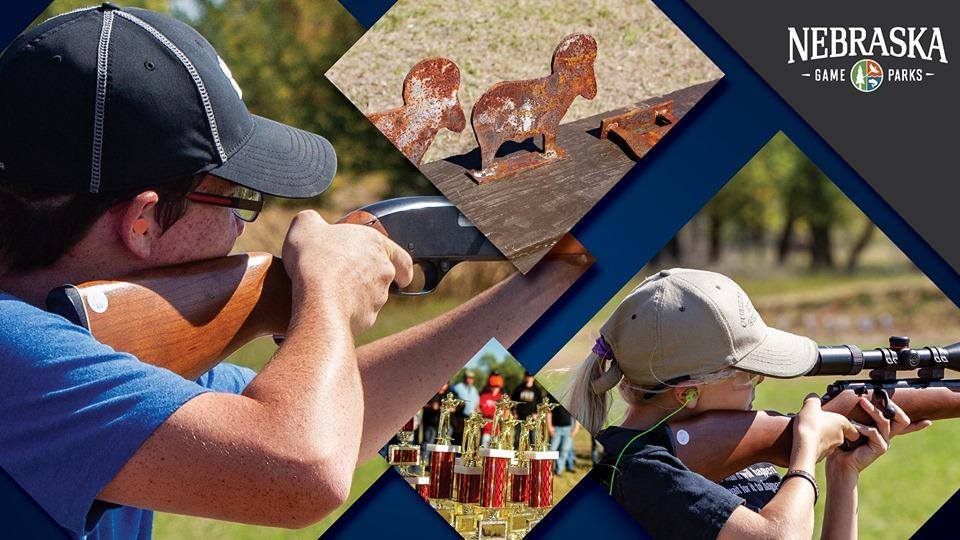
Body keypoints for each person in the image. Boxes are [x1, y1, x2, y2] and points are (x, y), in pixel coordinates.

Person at [0, 6, 588, 539]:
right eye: (237, 201)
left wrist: (547, 283)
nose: (242, 230)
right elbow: (304, 468)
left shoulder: (79, 353)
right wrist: (325, 294)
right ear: (145, 222)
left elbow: (341, 422)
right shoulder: (14, 352)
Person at [568, 269, 929, 540]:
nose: (759, 383)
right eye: (748, 375)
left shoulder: (734, 452)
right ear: (688, 394)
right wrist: (806, 451)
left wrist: (842, 473)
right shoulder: (632, 471)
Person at [421, 383, 450, 463]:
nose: (443, 386)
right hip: (430, 423)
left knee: (441, 446)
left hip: (442, 425)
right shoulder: (431, 393)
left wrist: (446, 408)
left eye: (445, 384)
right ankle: (423, 463)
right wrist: (431, 406)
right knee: (428, 443)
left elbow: (458, 406)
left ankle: (436, 463)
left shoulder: (448, 394)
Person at [451, 370, 480, 444]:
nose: (469, 379)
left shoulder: (474, 390)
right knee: (458, 437)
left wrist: (478, 412)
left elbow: (476, 404)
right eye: (468, 377)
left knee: (467, 438)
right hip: (459, 417)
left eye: (471, 378)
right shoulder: (457, 387)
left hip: (471, 418)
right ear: (464, 378)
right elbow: (452, 400)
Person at [478, 371, 506, 446]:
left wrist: (504, 422)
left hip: (498, 429)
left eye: (496, 387)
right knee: (484, 448)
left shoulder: (502, 397)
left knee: (496, 450)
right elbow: (478, 408)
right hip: (486, 429)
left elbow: (506, 411)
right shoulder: (484, 396)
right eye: (493, 387)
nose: (494, 388)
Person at [548, 405, 578, 474]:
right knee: (552, 450)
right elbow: (549, 413)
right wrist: (550, 427)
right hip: (556, 429)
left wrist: (575, 429)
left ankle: (559, 471)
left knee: (564, 450)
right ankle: (548, 469)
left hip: (568, 429)